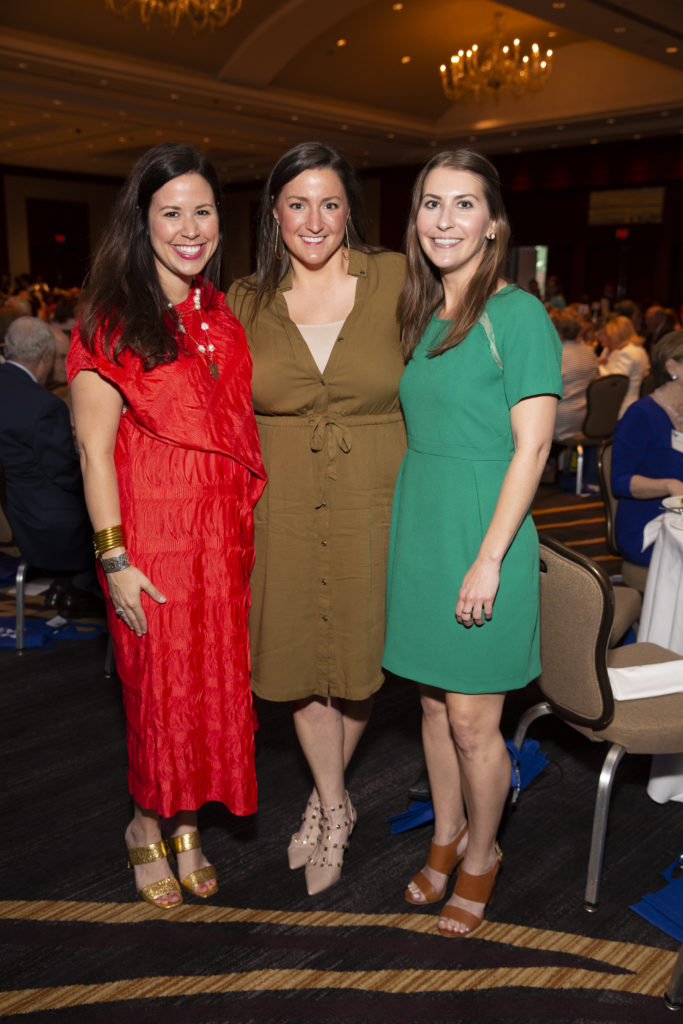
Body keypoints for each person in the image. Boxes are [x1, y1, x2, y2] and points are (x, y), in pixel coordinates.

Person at [68, 144, 266, 910]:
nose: (190, 228)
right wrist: (114, 561)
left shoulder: (222, 318)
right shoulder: (110, 316)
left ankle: (188, 823)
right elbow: (91, 450)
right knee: (159, 693)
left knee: (211, 687)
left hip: (220, 540)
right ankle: (145, 824)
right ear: (141, 221)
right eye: (171, 212)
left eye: (204, 211)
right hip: (149, 540)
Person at [383, 150, 561, 936]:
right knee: (429, 706)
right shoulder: (422, 315)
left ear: (492, 225)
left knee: (471, 722)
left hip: (483, 534)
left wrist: (488, 556)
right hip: (422, 529)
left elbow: (531, 449)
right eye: (430, 204)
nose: (444, 220)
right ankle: (445, 834)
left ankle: (483, 854)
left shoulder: (517, 314)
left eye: (463, 205)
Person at [228, 142, 406, 896]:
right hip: (285, 504)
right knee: (302, 661)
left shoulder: (395, 278)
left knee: (361, 659)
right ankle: (335, 804)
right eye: (296, 202)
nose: (313, 219)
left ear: (349, 212)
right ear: (273, 212)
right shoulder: (243, 299)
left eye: (329, 203)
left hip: (379, 493)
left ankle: (324, 796)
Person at [0, 316, 99, 614]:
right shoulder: (45, 406)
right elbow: (68, 476)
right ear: (45, 356)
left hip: (12, 518)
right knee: (110, 510)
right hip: (44, 530)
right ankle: (80, 588)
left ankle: (71, 587)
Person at [612, 330, 683, 566]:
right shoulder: (641, 415)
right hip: (648, 524)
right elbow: (620, 481)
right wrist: (669, 485)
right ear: (673, 367)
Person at [551, 307, 598, 441]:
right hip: (586, 420)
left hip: (561, 424)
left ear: (557, 330)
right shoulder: (590, 351)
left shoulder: (555, 354)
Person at [597, 314, 649, 418]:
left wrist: (595, 365)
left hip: (624, 406)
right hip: (632, 401)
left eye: (609, 335)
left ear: (617, 334)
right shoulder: (637, 349)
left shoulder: (628, 352)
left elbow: (614, 383)